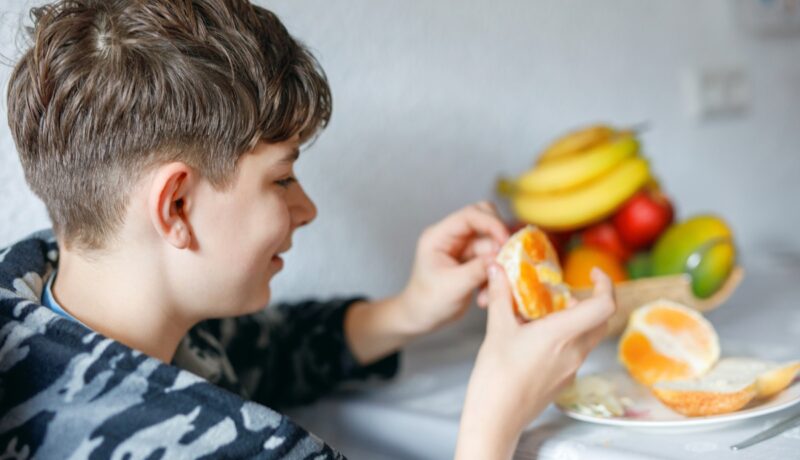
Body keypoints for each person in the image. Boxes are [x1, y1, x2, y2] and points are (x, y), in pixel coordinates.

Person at [0, 0, 616, 458]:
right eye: (281, 179)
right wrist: (496, 416)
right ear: (177, 206)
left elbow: (261, 348)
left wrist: (410, 308)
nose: (307, 209)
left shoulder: (39, 286)